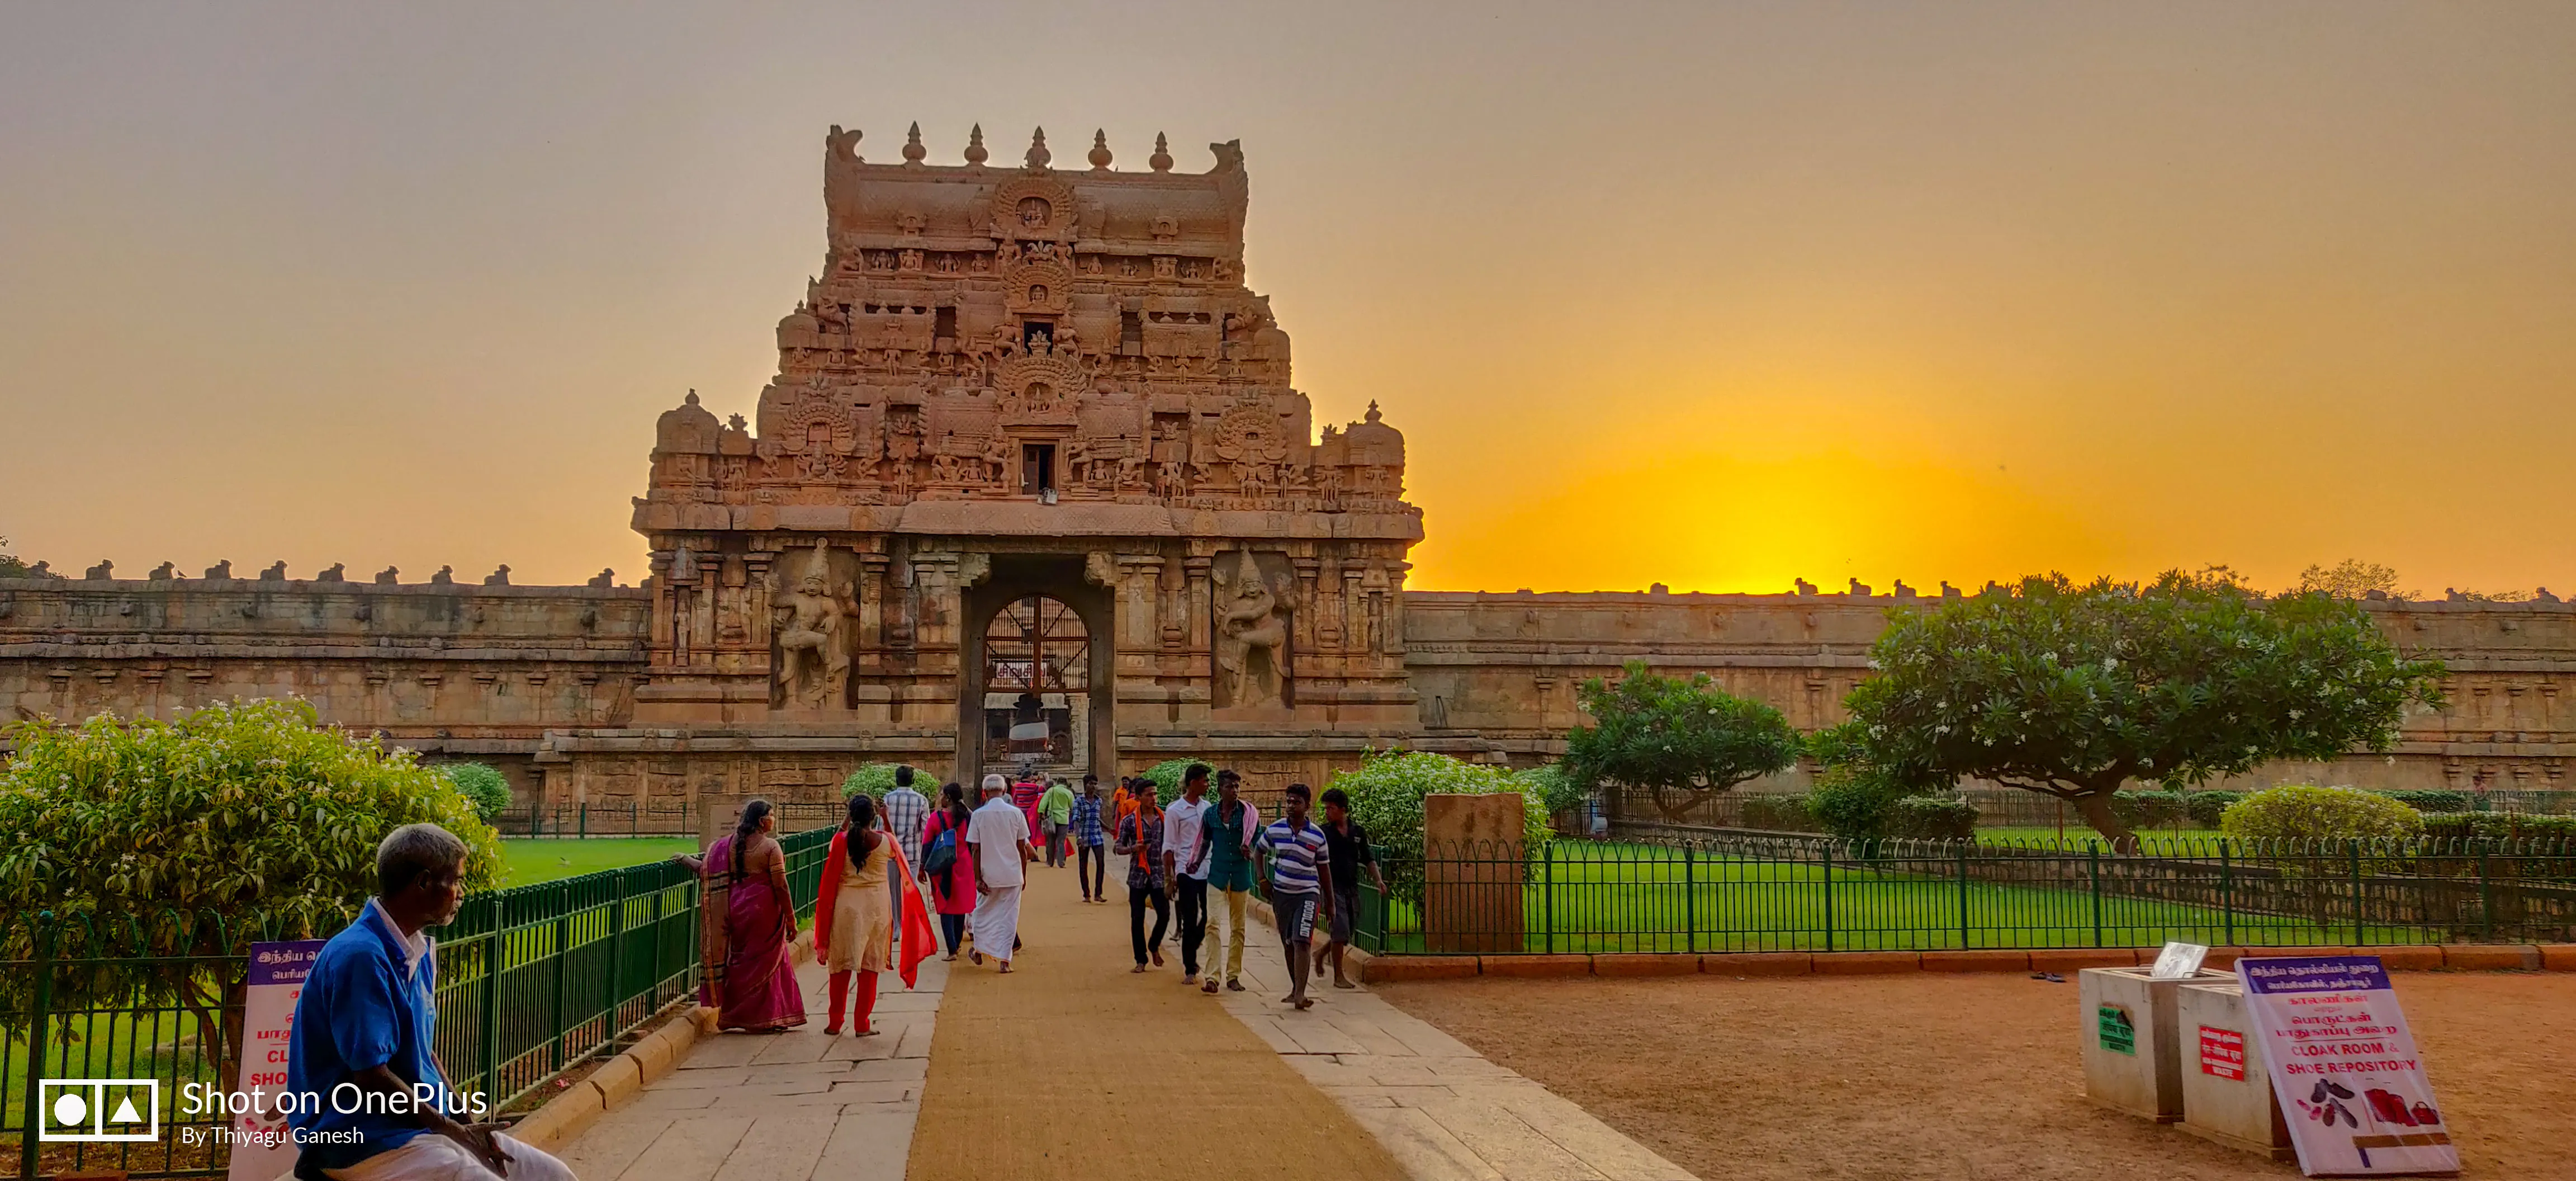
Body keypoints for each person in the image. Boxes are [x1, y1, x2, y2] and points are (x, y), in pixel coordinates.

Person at [288, 823, 578, 1180]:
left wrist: (471, 1128)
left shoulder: (417, 949)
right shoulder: (361, 956)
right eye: (455, 881)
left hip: (417, 1127)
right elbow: (370, 1075)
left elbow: (425, 1055)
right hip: (359, 1137)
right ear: (423, 882)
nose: (460, 893)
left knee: (554, 1175)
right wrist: (452, 1131)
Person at [674, 800, 807, 1032]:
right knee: (767, 964)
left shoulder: (726, 846)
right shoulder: (770, 847)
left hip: (735, 909)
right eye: (771, 816)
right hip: (764, 912)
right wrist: (791, 918)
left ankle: (736, 1016)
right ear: (761, 821)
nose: (772, 820)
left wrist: (684, 859)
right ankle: (765, 1018)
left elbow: (704, 868)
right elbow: (782, 886)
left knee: (740, 960)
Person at [814, 793, 936, 1036]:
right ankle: (862, 1024)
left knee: (840, 968)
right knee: (870, 967)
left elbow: (834, 842)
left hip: (846, 908)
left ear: (852, 815)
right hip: (878, 909)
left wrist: (847, 820)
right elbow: (895, 848)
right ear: (874, 817)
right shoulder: (886, 841)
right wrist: (886, 818)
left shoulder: (841, 841)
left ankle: (835, 1023)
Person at [1256, 782, 1332, 1010]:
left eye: (1296, 802)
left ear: (1307, 806)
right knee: (1288, 942)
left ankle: (1300, 994)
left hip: (1307, 894)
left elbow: (1324, 870)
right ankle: (1294, 988)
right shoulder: (1276, 829)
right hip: (1282, 895)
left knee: (1301, 940)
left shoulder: (1317, 835)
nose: (1291, 806)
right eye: (1288, 801)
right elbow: (1258, 851)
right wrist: (1262, 880)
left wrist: (1329, 901)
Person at [1197, 767, 1260, 994]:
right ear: (1219, 789)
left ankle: (1234, 975)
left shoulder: (1249, 814)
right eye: (1229, 787)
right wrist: (1196, 862)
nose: (1234, 791)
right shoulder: (1211, 815)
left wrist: (1250, 852)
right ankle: (1212, 976)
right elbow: (1205, 842)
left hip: (1241, 875)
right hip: (1218, 873)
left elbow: (1257, 842)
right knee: (1212, 923)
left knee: (1238, 928)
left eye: (1237, 786)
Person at [1316, 786, 1385, 990]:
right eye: (1326, 808)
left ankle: (1321, 953)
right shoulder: (1323, 833)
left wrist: (1378, 880)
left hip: (1351, 887)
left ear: (1343, 809)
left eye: (1331, 808)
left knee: (1347, 931)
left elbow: (1368, 858)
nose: (1327, 812)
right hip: (1331, 887)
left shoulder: (1357, 832)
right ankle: (1338, 976)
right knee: (1340, 928)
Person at [965, 773, 1035, 972]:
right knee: (1009, 918)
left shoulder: (978, 815)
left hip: (988, 875)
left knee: (982, 914)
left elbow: (975, 850)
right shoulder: (1016, 814)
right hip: (1012, 874)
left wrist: (978, 878)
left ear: (984, 793)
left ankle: (978, 951)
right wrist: (1023, 875)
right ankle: (1005, 962)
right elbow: (1022, 848)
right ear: (1005, 791)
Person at [1162, 764, 1213, 986]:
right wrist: (1169, 877)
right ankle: (1190, 966)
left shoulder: (1208, 809)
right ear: (1193, 783)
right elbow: (1169, 845)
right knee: (1189, 918)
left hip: (1208, 868)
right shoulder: (1175, 810)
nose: (1207, 785)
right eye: (1204, 781)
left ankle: (1194, 943)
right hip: (1186, 869)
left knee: (1210, 915)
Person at [917, 783, 978, 960]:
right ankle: (957, 943)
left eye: (942, 794)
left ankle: (951, 948)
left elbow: (927, 843)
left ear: (948, 798)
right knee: (960, 906)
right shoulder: (967, 816)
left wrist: (922, 866)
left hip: (943, 865)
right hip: (964, 862)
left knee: (945, 906)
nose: (940, 797)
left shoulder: (936, 818)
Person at [1113, 783, 1168, 972]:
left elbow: (1171, 847)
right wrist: (1133, 849)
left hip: (1159, 874)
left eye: (1155, 794)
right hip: (1138, 874)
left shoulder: (1164, 820)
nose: (1153, 798)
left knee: (1165, 914)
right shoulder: (1129, 822)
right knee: (1137, 918)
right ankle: (1140, 959)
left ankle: (1153, 945)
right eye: (1148, 795)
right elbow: (1118, 848)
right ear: (1138, 798)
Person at [881, 764, 930, 869]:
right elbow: (925, 831)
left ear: (897, 780)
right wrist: (924, 857)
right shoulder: (921, 800)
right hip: (912, 855)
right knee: (911, 885)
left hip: (891, 853)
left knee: (892, 886)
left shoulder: (887, 799)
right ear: (913, 781)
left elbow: (881, 829)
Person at [1070, 776, 1107, 903]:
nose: (1094, 787)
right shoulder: (1079, 801)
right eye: (1092, 784)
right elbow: (1076, 820)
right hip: (1084, 837)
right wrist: (1078, 837)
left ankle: (1098, 893)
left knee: (1101, 864)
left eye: (1096, 784)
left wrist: (1109, 828)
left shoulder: (1099, 801)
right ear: (1086, 785)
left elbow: (1097, 818)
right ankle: (1087, 894)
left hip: (1097, 836)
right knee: (1083, 866)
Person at [1038, 777, 1075, 868]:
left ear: (1057, 783)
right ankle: (1061, 862)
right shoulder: (1069, 793)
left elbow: (1043, 803)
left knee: (1050, 841)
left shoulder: (1051, 791)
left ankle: (1050, 861)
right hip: (1064, 819)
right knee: (1061, 841)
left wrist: (1041, 813)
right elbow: (1073, 806)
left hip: (1052, 819)